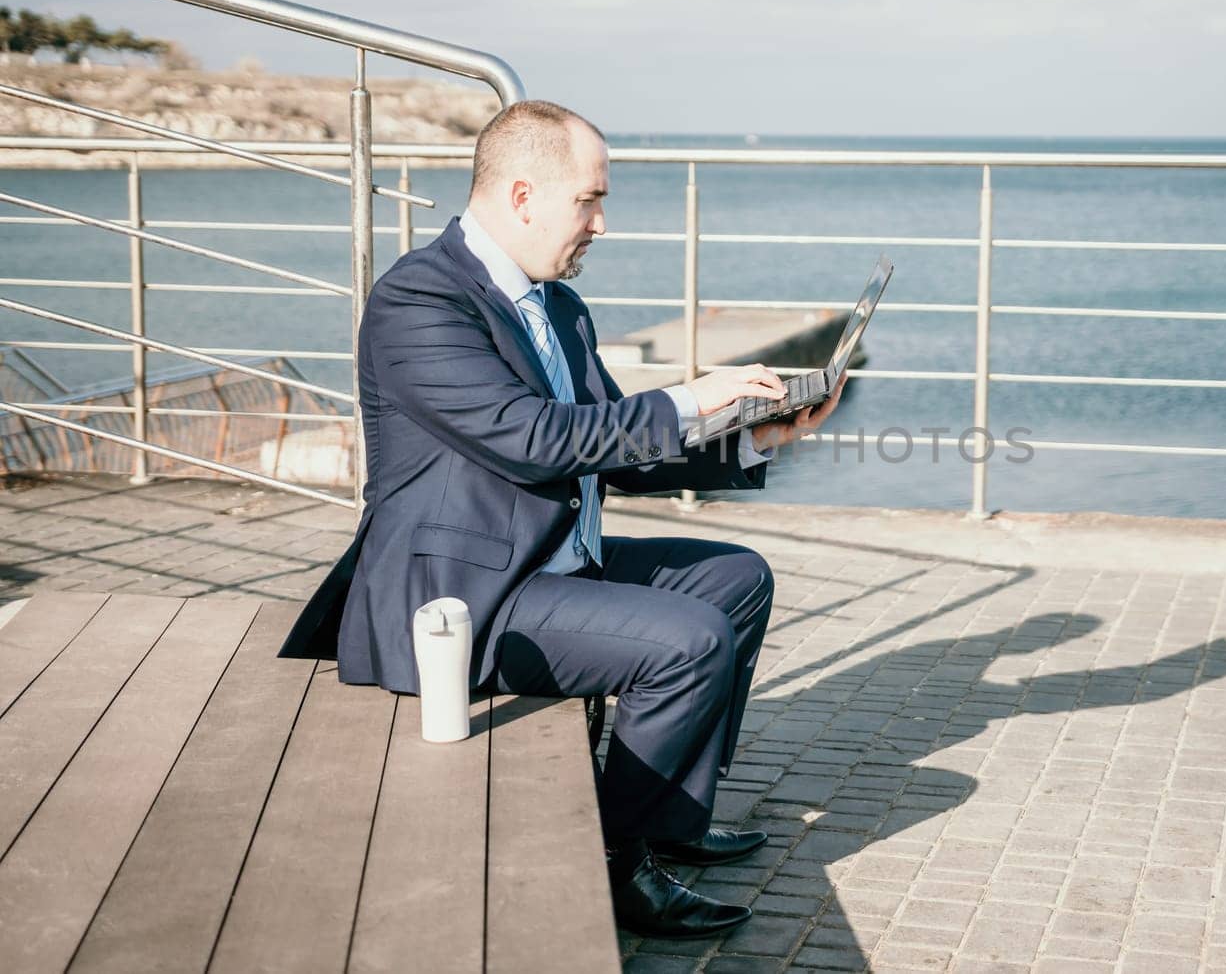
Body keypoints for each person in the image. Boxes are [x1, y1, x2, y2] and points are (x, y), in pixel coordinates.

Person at [279, 100, 844, 938]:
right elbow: (535, 439)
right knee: (686, 641)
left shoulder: (560, 308)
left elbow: (611, 447)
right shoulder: (419, 302)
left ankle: (670, 817)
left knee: (737, 579)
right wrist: (692, 394)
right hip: (461, 598)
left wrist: (755, 439)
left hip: (542, 567)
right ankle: (619, 862)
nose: (601, 224)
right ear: (521, 196)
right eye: (589, 200)